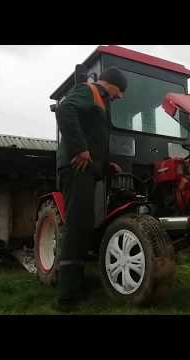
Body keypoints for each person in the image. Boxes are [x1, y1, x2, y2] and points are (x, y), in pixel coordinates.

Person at [55, 66, 127, 310]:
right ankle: (67, 297)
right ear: (111, 83)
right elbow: (65, 109)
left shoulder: (101, 101)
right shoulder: (89, 90)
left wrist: (107, 165)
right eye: (121, 91)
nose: (121, 97)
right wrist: (80, 149)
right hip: (77, 167)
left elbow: (95, 139)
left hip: (88, 170)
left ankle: (78, 285)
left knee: (84, 224)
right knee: (76, 225)